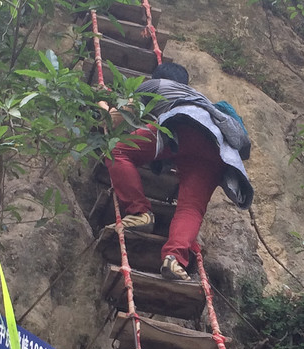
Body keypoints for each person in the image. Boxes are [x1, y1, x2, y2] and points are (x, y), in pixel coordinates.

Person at [102, 60, 253, 281]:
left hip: (184, 127)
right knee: (191, 208)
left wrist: (104, 107)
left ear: (157, 77)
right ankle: (174, 258)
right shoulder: (200, 98)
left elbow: (120, 119)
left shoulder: (155, 85)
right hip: (217, 149)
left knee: (118, 151)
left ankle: (140, 212)